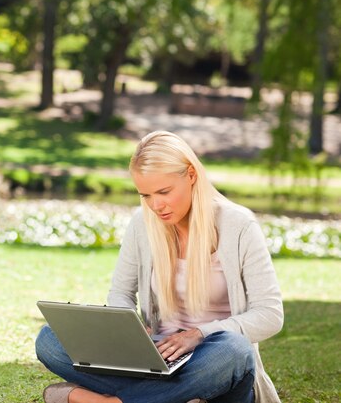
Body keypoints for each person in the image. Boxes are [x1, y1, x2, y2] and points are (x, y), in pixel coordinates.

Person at [35, 130, 283, 403]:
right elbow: (121, 292)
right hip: (153, 359)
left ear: (191, 175)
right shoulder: (142, 223)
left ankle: (111, 401)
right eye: (146, 195)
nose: (156, 205)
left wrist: (199, 334)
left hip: (210, 358)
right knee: (49, 339)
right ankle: (170, 398)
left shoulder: (238, 226)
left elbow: (270, 315)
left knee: (235, 351)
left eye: (164, 192)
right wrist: (130, 329)